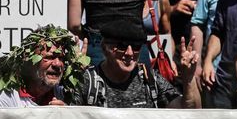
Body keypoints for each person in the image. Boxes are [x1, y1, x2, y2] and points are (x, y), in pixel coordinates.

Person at [66, 20, 200, 108]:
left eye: (136, 46)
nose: (130, 53)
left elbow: (189, 114)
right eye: (122, 46)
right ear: (104, 47)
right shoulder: (87, 81)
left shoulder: (150, 80)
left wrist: (189, 78)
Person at [0, 26, 85, 107]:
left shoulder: (64, 92)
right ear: (28, 60)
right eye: (49, 57)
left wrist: (79, 70)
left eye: (62, 58)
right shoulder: (8, 95)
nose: (57, 64)